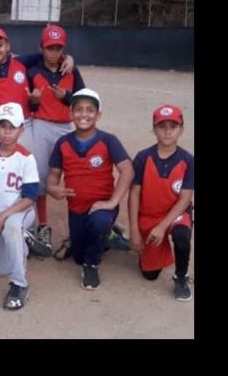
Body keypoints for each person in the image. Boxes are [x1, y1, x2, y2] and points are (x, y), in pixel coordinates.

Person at [45, 88, 133, 290]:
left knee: (98, 224)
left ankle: (92, 265)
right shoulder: (63, 142)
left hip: (101, 206)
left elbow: (127, 170)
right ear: (71, 113)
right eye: (78, 109)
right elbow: (53, 173)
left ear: (98, 115)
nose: (84, 114)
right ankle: (109, 237)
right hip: (76, 207)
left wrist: (112, 202)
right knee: (77, 256)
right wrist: (52, 188)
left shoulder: (108, 140)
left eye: (90, 110)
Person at [27, 25, 85, 256]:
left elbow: (83, 103)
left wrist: (67, 98)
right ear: (41, 47)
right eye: (49, 47)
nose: (53, 52)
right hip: (40, 125)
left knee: (76, 176)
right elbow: (29, 106)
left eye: (58, 48)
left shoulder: (71, 71)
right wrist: (33, 101)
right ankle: (42, 225)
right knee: (41, 177)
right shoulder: (32, 71)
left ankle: (80, 227)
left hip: (65, 128)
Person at [0, 102, 40, 310]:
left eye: (12, 127)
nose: (7, 132)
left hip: (21, 211)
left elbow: (30, 197)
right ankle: (25, 241)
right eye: (3, 126)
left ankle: (19, 285)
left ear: (21, 129)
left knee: (12, 226)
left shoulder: (26, 158)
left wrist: (3, 217)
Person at [128, 104, 194, 301]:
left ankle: (181, 276)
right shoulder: (143, 157)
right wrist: (134, 230)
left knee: (182, 234)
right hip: (149, 215)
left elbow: (185, 198)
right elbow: (134, 193)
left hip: (175, 214)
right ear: (154, 129)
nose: (167, 131)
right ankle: (142, 247)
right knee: (150, 275)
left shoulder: (188, 160)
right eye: (162, 126)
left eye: (173, 127)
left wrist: (163, 226)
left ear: (181, 130)